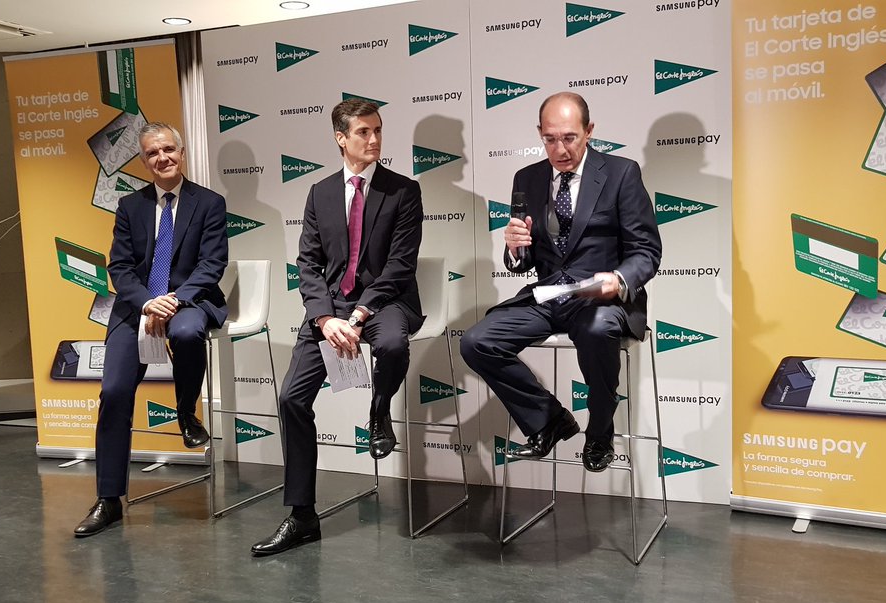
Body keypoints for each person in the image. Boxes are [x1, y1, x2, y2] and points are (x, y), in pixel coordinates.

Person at [251, 99, 424, 556]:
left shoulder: (404, 191)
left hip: (383, 302)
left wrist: (359, 314)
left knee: (390, 344)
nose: (374, 140)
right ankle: (302, 514)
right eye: (363, 132)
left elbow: (399, 266)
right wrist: (326, 318)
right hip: (331, 307)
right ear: (340, 138)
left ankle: (379, 410)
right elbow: (308, 264)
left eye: (378, 131)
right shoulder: (320, 193)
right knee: (291, 397)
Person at [461, 92, 661, 472]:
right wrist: (515, 249)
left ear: (589, 131)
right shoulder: (528, 178)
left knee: (596, 328)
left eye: (569, 137)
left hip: (603, 302)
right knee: (477, 342)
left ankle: (600, 428)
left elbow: (647, 250)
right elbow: (524, 261)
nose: (560, 149)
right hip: (549, 295)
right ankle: (548, 419)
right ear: (540, 133)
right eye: (550, 138)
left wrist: (619, 280)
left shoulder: (621, 173)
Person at [74, 122, 229, 537]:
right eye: (152, 154)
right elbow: (120, 268)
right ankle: (108, 499)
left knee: (185, 332)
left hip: (190, 301)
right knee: (115, 392)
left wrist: (174, 300)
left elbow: (211, 264)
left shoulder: (210, 203)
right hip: (137, 306)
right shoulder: (130, 206)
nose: (162, 159)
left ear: (181, 152)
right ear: (143, 161)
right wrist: (147, 301)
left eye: (168, 150)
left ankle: (186, 413)